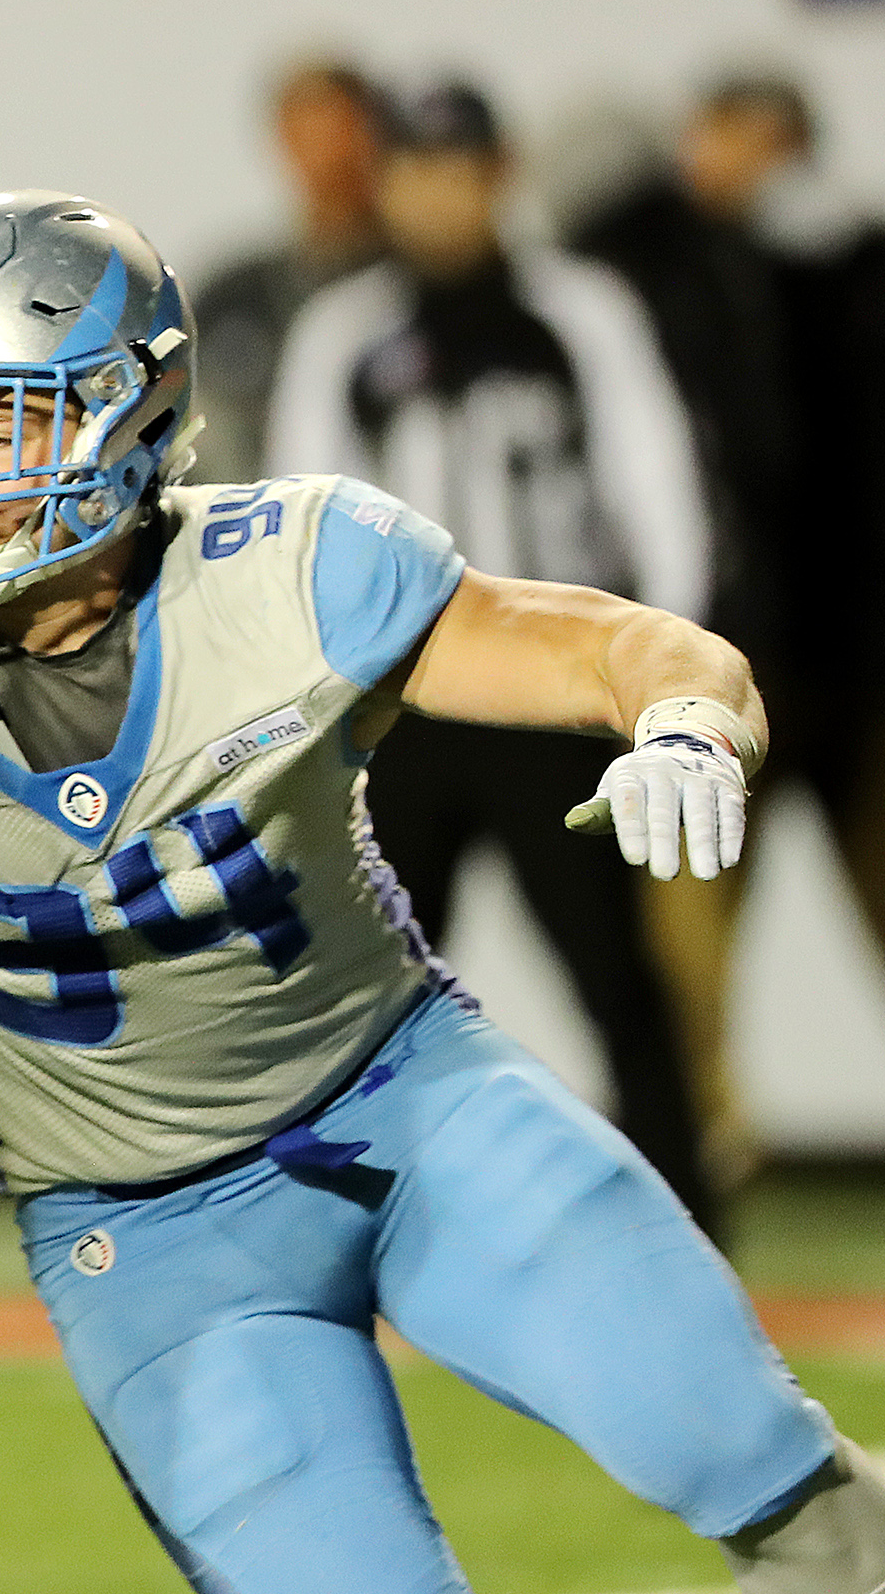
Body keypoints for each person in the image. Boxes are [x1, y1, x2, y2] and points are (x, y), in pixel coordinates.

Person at [0, 189, 885, 1594]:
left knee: (762, 1467)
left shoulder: (287, 573)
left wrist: (687, 721)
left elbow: (615, 647)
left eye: (1, 420)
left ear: (127, 419)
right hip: (135, 1224)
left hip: (415, 1113)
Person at [266, 80, 725, 1236]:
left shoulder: (576, 311)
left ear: (498, 172)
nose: (438, 196)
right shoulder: (347, 329)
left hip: (544, 703)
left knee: (617, 977)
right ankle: (336, 1231)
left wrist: (647, 671)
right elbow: (298, 514)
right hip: (400, 703)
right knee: (360, 989)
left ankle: (687, 1226)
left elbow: (653, 482)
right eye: (417, 171)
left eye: (458, 169)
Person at [573, 73, 885, 1179]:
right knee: (694, 907)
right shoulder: (682, 266)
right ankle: (700, 1129)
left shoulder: (846, 277)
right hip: (752, 654)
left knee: (873, 906)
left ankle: (700, 1125)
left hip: (812, 658)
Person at [191, 57, 384, 485]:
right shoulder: (231, 299)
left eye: (344, 135)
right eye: (308, 137)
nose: (329, 160)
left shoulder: (408, 293)